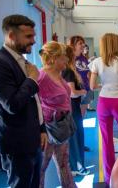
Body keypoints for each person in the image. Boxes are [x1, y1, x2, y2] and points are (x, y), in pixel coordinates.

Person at [0, 14, 47, 187]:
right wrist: (32, 80)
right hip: (17, 144)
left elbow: (33, 100)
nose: (33, 41)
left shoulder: (20, 61)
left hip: (32, 139)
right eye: (28, 36)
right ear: (11, 36)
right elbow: (12, 104)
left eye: (33, 35)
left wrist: (41, 128)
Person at [89, 33, 118, 184]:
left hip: (103, 103)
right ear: (117, 45)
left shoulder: (97, 62)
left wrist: (104, 85)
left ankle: (109, 178)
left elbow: (92, 86)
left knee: (106, 140)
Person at [38, 41, 76, 188]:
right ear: (54, 59)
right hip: (48, 130)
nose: (66, 60)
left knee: (63, 163)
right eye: (63, 57)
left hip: (61, 128)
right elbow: (32, 104)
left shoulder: (59, 75)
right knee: (41, 167)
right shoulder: (42, 78)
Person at [62, 45, 90, 176]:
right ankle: (77, 167)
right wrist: (83, 91)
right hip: (72, 107)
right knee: (75, 137)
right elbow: (72, 93)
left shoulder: (69, 70)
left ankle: (74, 166)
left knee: (76, 136)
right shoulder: (68, 71)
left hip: (74, 107)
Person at [68, 35, 91, 152]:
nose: (83, 45)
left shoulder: (83, 58)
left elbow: (87, 74)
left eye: (83, 43)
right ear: (73, 45)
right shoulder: (70, 59)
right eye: (80, 43)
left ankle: (80, 144)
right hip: (75, 93)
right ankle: (75, 145)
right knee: (74, 120)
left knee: (81, 119)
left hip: (85, 91)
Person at [83, 44, 96, 111]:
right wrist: (89, 61)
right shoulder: (80, 58)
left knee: (90, 91)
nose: (86, 50)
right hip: (83, 78)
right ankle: (85, 106)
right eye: (85, 48)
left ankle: (88, 106)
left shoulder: (86, 57)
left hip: (89, 76)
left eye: (87, 48)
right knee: (85, 92)